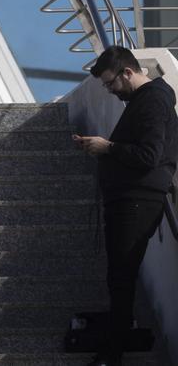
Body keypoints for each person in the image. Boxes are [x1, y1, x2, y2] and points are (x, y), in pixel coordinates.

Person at [74, 46, 178, 366]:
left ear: (128, 73)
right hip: (131, 199)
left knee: (121, 278)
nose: (110, 90)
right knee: (119, 276)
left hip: (136, 201)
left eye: (110, 83)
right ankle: (113, 347)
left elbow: (149, 155)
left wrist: (107, 147)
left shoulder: (152, 100)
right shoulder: (146, 100)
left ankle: (113, 353)